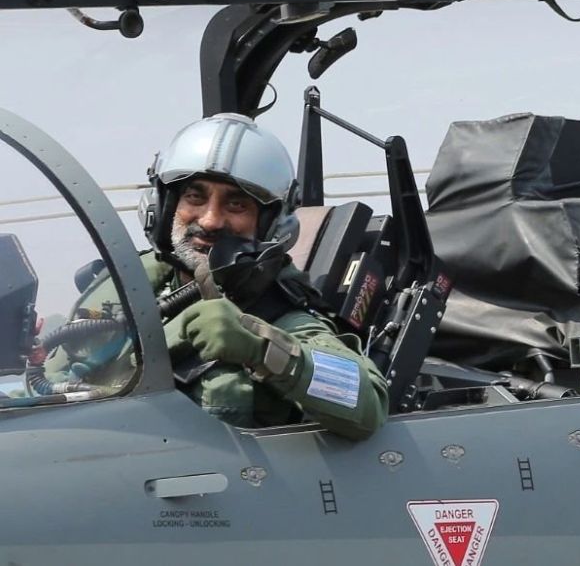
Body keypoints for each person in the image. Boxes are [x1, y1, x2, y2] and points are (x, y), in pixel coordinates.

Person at [44, 113, 388, 439]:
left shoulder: (277, 313)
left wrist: (263, 350)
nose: (210, 220)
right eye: (195, 196)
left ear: (271, 224)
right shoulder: (131, 282)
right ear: (164, 206)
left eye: (236, 204)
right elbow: (48, 381)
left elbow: (368, 403)